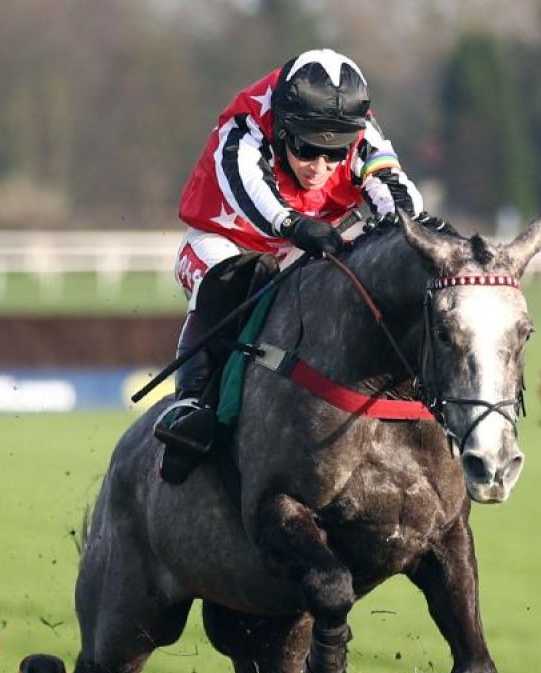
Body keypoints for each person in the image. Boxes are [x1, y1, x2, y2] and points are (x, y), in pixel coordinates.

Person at [153, 48, 426, 483]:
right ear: (282, 128)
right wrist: (295, 225)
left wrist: (406, 228)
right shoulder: (243, 127)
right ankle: (192, 404)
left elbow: (396, 190)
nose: (321, 167)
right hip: (229, 240)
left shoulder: (360, 129)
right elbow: (254, 195)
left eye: (335, 154)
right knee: (228, 277)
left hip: (310, 237)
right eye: (306, 150)